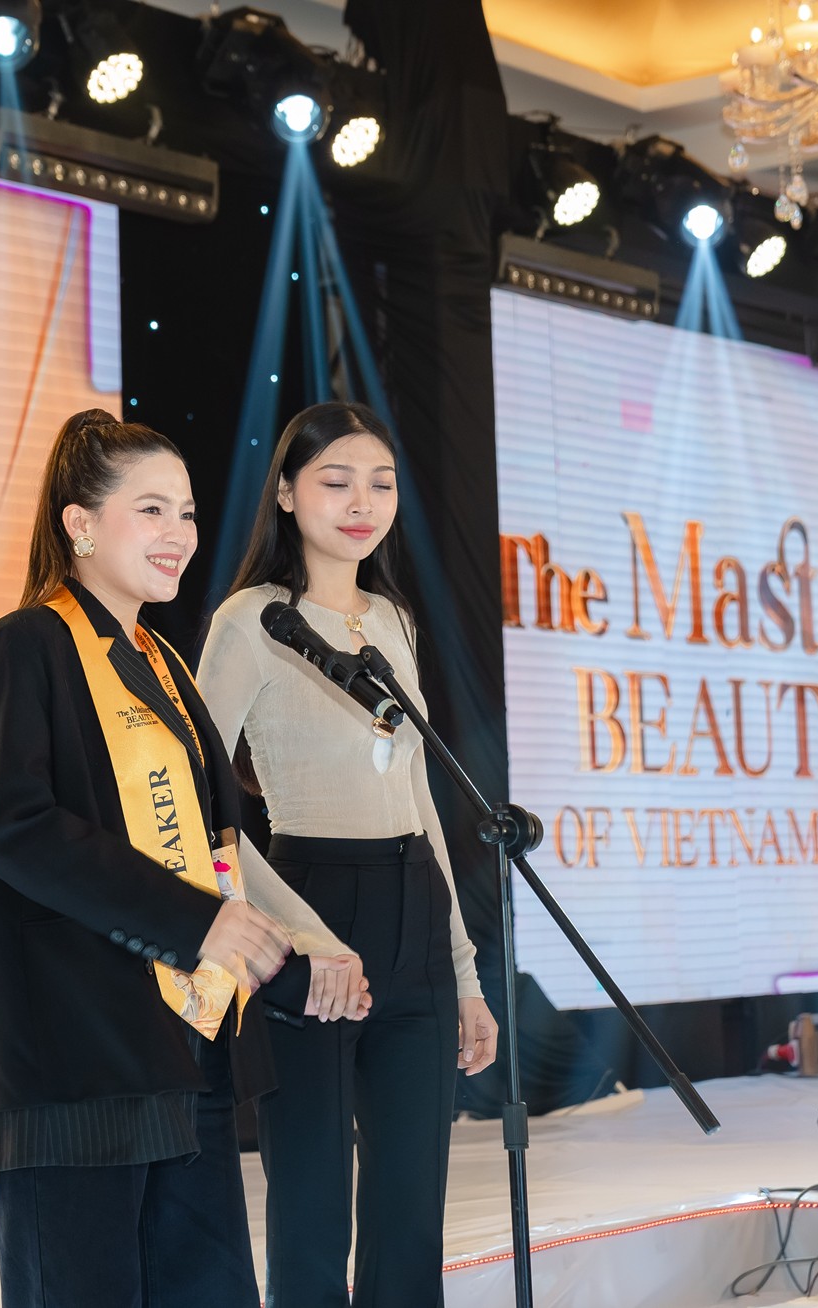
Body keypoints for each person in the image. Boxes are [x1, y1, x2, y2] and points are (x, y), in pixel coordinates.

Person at [0, 410, 368, 1307]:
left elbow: (208, 857)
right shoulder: (23, 650)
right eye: (150, 510)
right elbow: (16, 830)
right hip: (75, 1068)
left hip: (186, 1066)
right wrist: (200, 926)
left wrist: (292, 965)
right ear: (79, 523)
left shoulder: (168, 670)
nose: (178, 534)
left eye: (185, 513)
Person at [199, 401, 499, 1306]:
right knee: (312, 1203)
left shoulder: (393, 620)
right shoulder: (252, 619)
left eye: (381, 483)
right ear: (288, 494)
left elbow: (419, 796)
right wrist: (301, 935)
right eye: (336, 482)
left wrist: (465, 973)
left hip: (414, 908)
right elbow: (207, 809)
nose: (362, 503)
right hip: (309, 903)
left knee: (412, 1210)